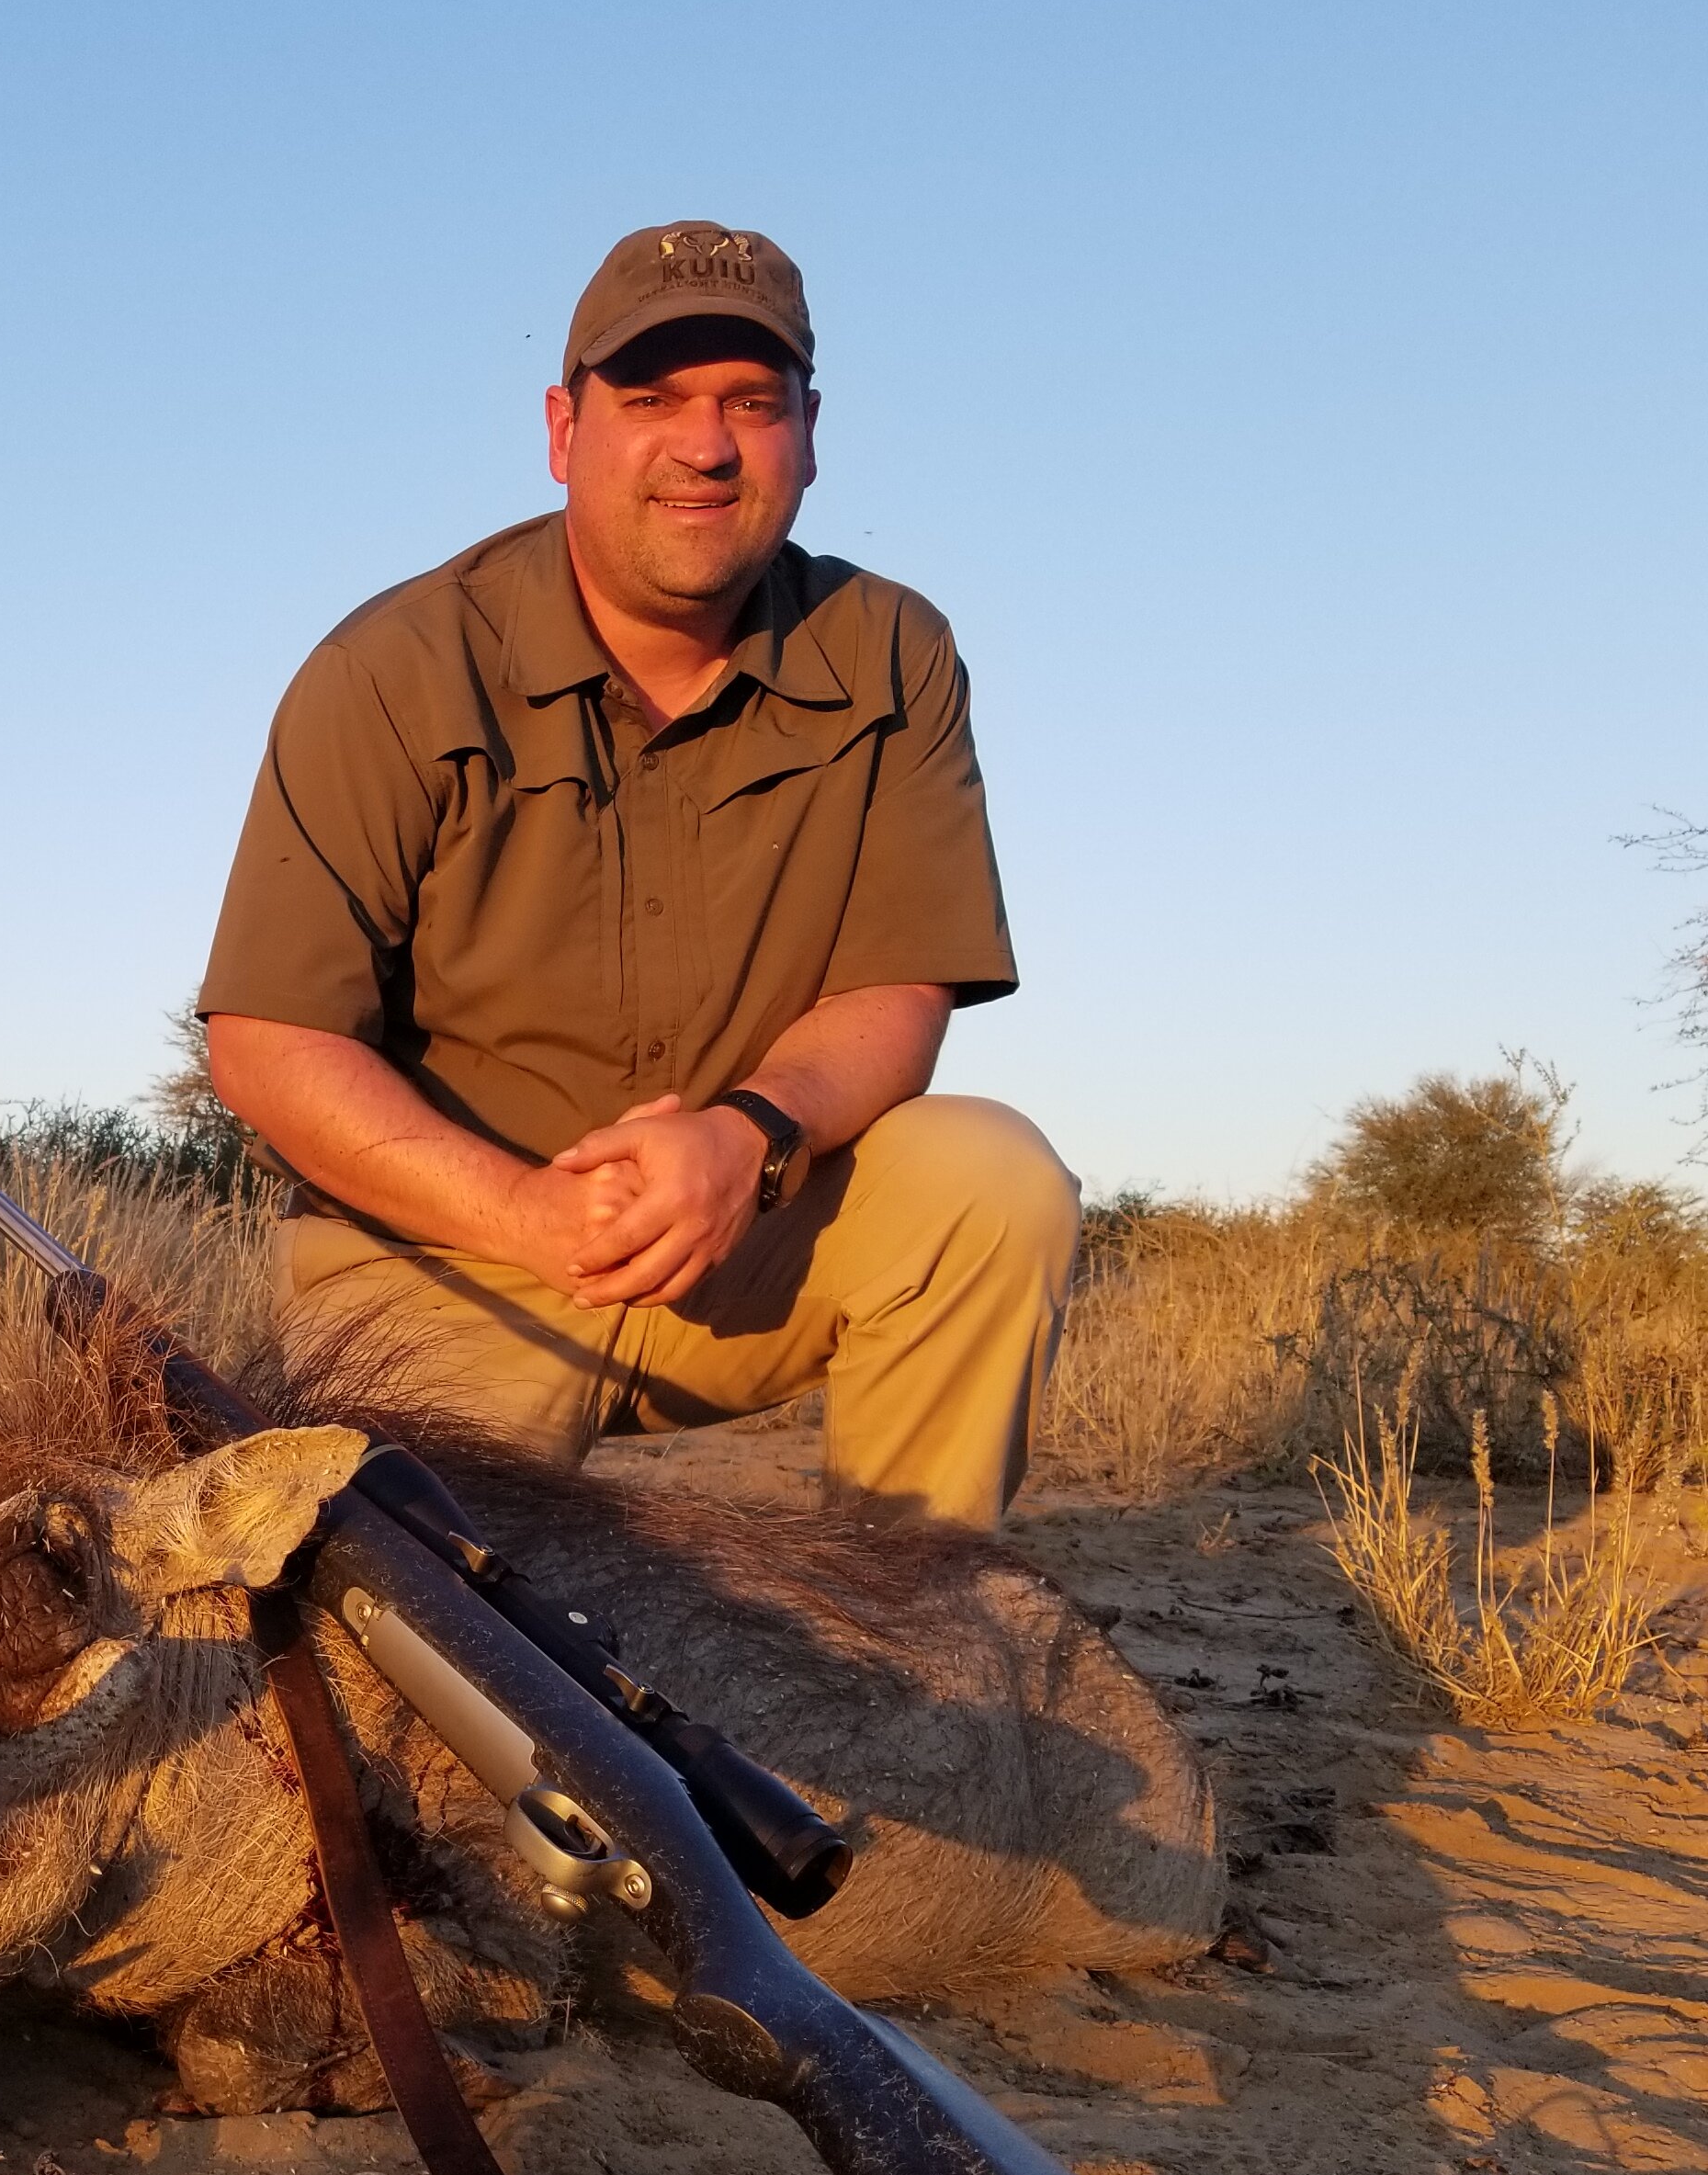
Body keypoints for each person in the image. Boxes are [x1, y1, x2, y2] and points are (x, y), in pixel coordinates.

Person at [197, 221, 1079, 1531]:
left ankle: (913, 1651)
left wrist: (749, 1136)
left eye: (751, 403)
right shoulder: (392, 665)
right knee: (436, 1683)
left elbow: (901, 990)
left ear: (811, 431)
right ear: (564, 430)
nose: (705, 445)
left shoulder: (897, 651)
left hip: (738, 1239)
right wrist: (529, 1216)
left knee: (989, 1180)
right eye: (652, 398)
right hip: (448, 1262)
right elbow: (267, 1043)